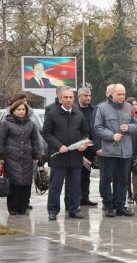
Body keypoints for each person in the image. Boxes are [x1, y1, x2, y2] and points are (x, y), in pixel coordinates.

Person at [41, 88, 90, 220]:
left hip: (76, 157)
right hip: (59, 156)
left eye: (71, 97)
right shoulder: (52, 114)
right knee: (56, 185)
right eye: (65, 97)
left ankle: (74, 210)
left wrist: (83, 145)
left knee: (75, 186)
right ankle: (53, 211)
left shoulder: (78, 114)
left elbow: (86, 133)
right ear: (60, 99)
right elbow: (46, 133)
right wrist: (59, 146)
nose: (68, 100)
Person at [94, 84, 137, 217]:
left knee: (123, 180)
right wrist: (111, 135)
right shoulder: (102, 108)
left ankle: (120, 206)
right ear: (111, 94)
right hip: (109, 151)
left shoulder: (129, 108)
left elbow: (136, 125)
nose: (122, 96)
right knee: (106, 180)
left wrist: (129, 127)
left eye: (124, 94)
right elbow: (97, 128)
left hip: (125, 152)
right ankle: (108, 205)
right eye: (119, 94)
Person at [0, 100, 41, 215]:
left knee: (26, 183)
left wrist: (36, 155)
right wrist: (0, 156)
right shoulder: (6, 123)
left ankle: (23, 207)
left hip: (27, 158)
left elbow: (35, 141)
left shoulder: (30, 124)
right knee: (14, 183)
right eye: (19, 109)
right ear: (13, 111)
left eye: (23, 109)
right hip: (11, 158)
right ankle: (13, 208)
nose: (21, 112)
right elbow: (1, 140)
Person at [74, 87, 99, 206]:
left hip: (90, 148)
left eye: (89, 95)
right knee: (76, 175)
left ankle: (85, 197)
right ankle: (75, 199)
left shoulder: (94, 110)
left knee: (86, 174)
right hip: (77, 148)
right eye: (85, 95)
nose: (88, 97)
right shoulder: (74, 110)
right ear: (79, 97)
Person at [125, 97, 137, 205]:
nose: (135, 106)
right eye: (132, 104)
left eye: (136, 104)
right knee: (126, 174)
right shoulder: (126, 117)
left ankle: (136, 195)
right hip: (127, 148)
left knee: (135, 174)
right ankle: (129, 195)